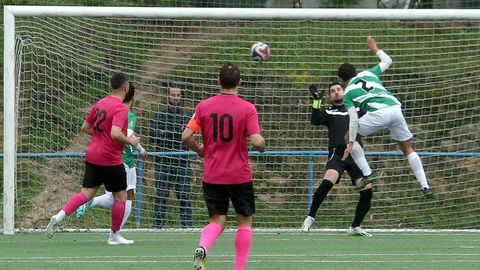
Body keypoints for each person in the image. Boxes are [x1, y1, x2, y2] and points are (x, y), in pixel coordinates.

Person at [182, 62, 266, 270]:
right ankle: (238, 269)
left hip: (213, 174)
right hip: (239, 175)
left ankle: (203, 246)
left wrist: (201, 150)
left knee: (217, 220)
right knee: (244, 223)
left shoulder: (204, 106)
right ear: (240, 82)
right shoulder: (247, 108)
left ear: (218, 81)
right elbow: (256, 142)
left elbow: (186, 136)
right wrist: (262, 146)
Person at [46, 73, 140, 245]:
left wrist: (101, 137)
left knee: (86, 193)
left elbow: (85, 127)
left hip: (92, 154)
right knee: (121, 196)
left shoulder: (101, 103)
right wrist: (130, 141)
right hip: (110, 158)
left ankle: (59, 216)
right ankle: (114, 235)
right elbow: (115, 133)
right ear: (126, 88)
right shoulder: (120, 108)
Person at [338, 36, 433, 198]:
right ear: (355, 71)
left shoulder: (347, 93)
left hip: (378, 112)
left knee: (348, 136)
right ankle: (425, 186)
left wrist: (351, 142)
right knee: (407, 148)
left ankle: (368, 175)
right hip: (395, 108)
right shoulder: (368, 73)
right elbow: (387, 60)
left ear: (341, 80)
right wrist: (375, 49)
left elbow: (353, 120)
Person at [301, 83, 373, 237]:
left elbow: (373, 114)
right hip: (338, 154)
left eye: (338, 90)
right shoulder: (328, 111)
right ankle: (310, 218)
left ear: (344, 91)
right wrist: (316, 102)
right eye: (332, 91)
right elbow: (315, 120)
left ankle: (355, 226)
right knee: (327, 182)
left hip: (356, 154)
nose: (336, 92)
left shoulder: (358, 109)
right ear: (330, 96)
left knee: (367, 190)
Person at [75, 82, 148, 232]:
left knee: (112, 197)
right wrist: (140, 148)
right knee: (128, 196)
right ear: (133, 97)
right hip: (124, 161)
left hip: (108, 158)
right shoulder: (128, 113)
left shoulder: (111, 108)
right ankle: (115, 233)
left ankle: (90, 202)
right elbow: (126, 134)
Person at [150, 86, 193, 229]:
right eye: (173, 94)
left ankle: (188, 227)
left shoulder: (187, 116)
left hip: (182, 161)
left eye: (178, 95)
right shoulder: (159, 115)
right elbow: (153, 136)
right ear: (168, 96)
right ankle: (157, 227)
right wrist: (177, 133)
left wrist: (165, 132)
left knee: (184, 196)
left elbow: (188, 136)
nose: (175, 97)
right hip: (163, 161)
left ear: (181, 97)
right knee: (161, 196)